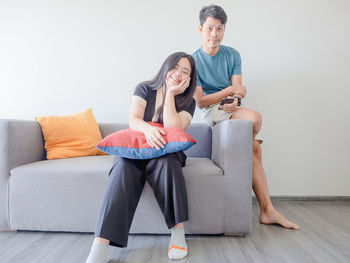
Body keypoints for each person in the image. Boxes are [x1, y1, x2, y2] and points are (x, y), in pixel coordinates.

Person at [192, 5, 299, 230]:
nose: (214, 34)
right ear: (201, 29)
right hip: (212, 111)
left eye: (219, 28)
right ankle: (266, 209)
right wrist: (230, 90)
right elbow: (201, 101)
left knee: (254, 150)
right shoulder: (193, 61)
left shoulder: (232, 54)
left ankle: (267, 211)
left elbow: (239, 90)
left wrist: (236, 97)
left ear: (224, 30)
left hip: (233, 108)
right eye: (210, 28)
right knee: (255, 118)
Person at [85, 52, 197, 263]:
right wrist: (148, 130)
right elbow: (133, 120)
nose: (178, 74)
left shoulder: (188, 101)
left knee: (167, 163)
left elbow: (173, 127)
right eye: (176, 67)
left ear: (190, 79)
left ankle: (178, 234)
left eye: (185, 71)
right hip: (137, 149)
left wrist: (171, 95)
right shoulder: (144, 88)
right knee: (122, 166)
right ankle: (100, 244)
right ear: (166, 66)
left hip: (168, 151)